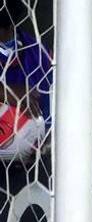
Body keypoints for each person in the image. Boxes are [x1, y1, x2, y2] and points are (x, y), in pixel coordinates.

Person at [0, 4, 51, 163]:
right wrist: (6, 92)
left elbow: (50, 117)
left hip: (27, 166)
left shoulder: (38, 55)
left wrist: (41, 138)